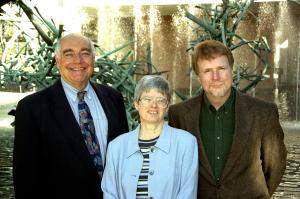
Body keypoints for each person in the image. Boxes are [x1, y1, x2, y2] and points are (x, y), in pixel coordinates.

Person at [13, 33, 129, 199]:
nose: (78, 61)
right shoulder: (32, 108)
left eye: (85, 53)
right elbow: (25, 178)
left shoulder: (113, 97)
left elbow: (124, 156)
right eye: (69, 54)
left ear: (93, 59)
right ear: (58, 61)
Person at [168, 40, 287, 199]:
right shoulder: (179, 114)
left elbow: (275, 166)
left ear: (232, 69)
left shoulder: (263, 113)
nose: (215, 77)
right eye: (207, 71)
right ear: (198, 76)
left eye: (221, 68)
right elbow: (176, 167)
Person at [101, 75, 198, 199]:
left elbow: (187, 194)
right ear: (136, 103)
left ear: (167, 106)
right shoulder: (116, 147)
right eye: (147, 99)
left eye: (160, 100)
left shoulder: (186, 143)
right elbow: (109, 194)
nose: (154, 105)